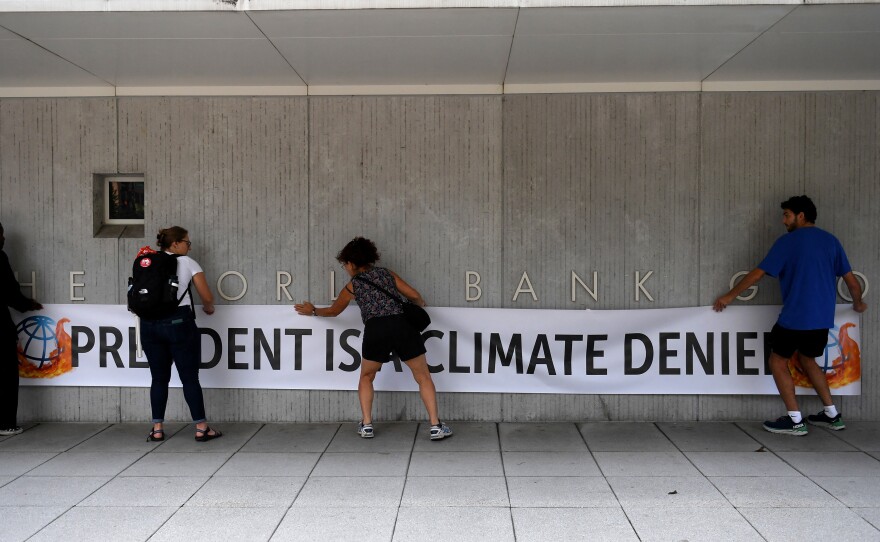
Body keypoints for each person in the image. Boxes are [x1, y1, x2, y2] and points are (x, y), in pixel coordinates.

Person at [713, 196, 867, 435]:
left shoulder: (788, 242)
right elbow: (851, 282)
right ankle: (832, 415)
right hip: (822, 319)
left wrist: (729, 296)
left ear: (801, 215)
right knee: (808, 360)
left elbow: (757, 274)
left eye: (786, 215)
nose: (783, 220)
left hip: (796, 316)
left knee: (777, 361)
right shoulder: (831, 241)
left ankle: (795, 420)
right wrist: (857, 303)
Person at [295, 237, 452, 440]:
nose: (345, 268)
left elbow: (334, 311)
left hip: (376, 329)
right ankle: (435, 426)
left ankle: (367, 424)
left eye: (345, 264)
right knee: (423, 377)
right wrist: (419, 303)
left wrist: (313, 311)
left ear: (351, 263)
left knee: (367, 377)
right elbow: (414, 295)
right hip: (402, 325)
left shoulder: (353, 286)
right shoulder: (386, 274)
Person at [140, 226, 222, 442]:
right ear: (175, 244)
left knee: (158, 378)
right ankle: (201, 428)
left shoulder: (147, 261)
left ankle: (157, 429)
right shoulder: (187, 262)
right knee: (189, 378)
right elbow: (206, 296)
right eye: (187, 242)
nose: (189, 246)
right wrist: (209, 307)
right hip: (179, 324)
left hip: (149, 326)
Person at [0, 222, 43, 436]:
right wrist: (28, 305)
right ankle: (6, 423)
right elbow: (9, 291)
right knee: (6, 373)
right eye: (1, 234)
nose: (4, 239)